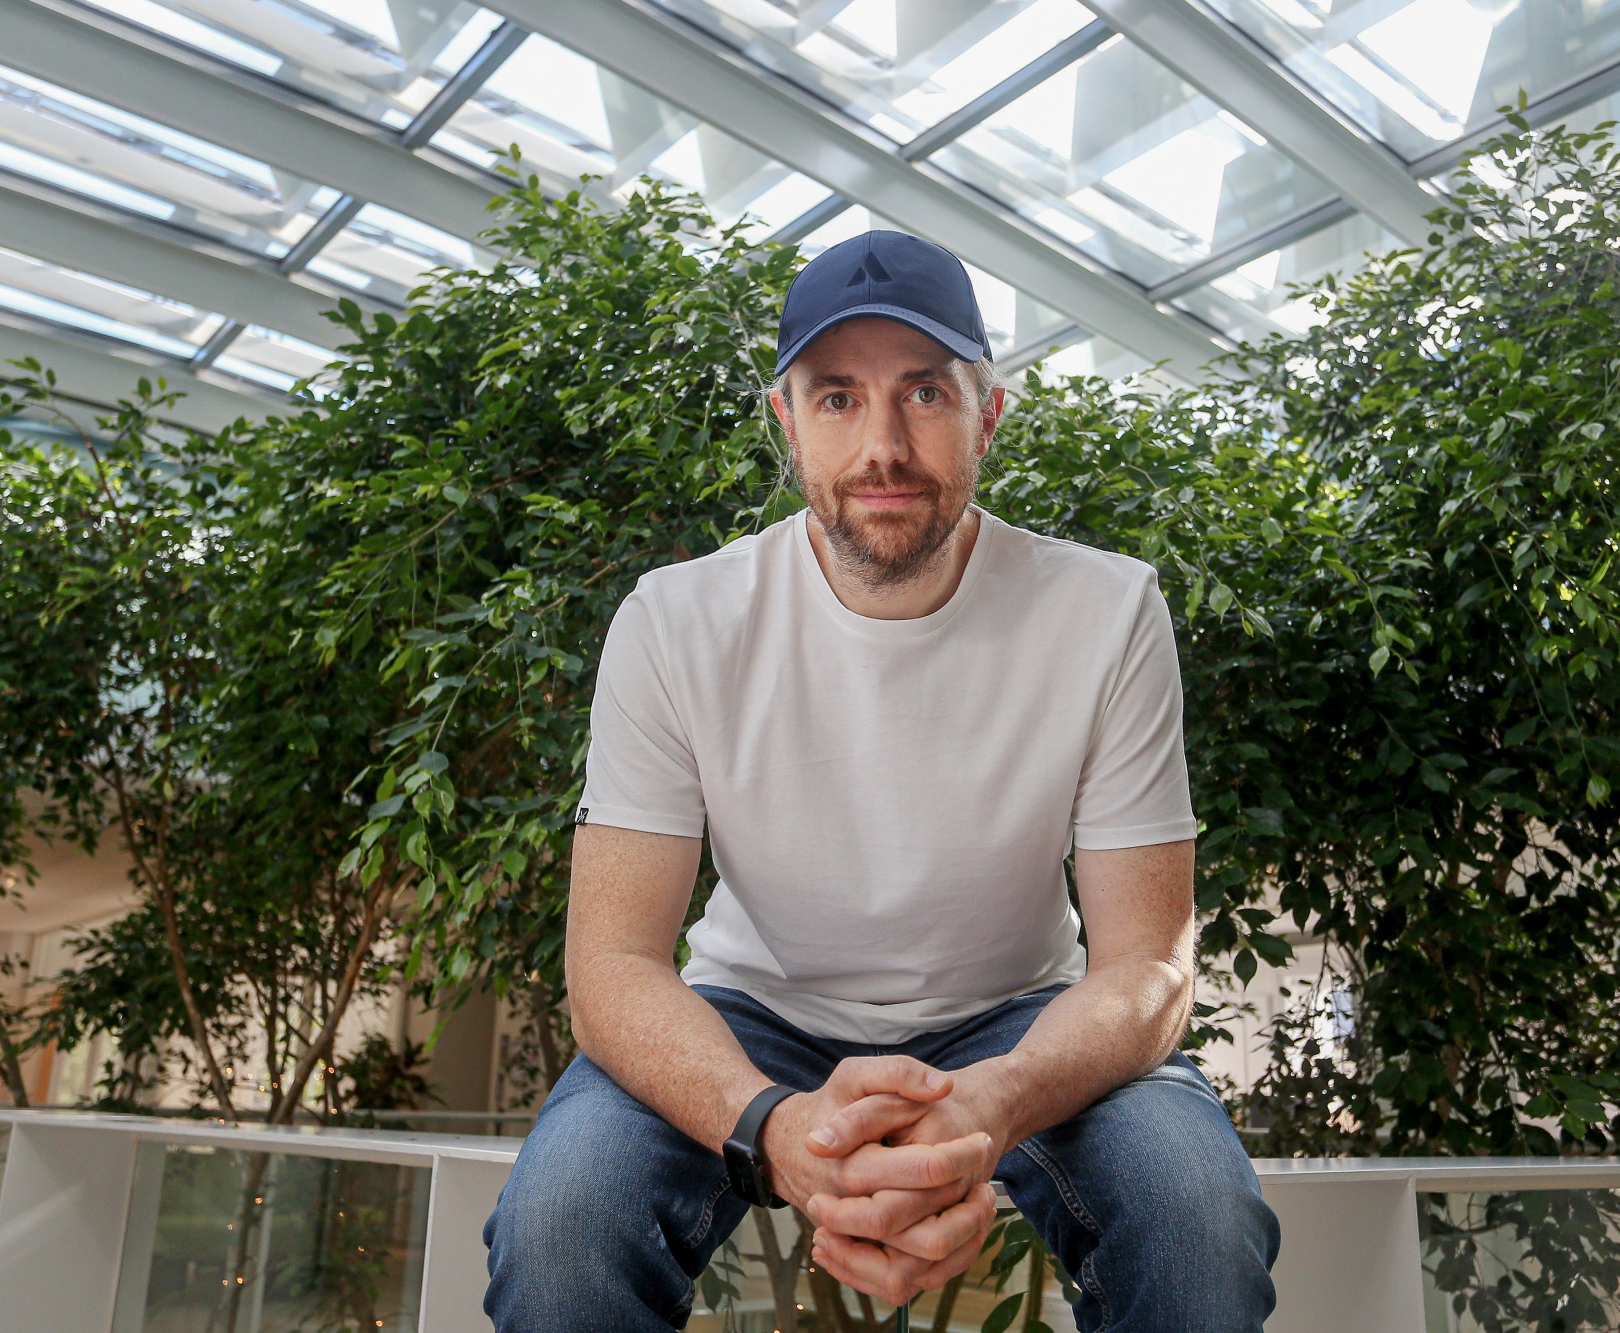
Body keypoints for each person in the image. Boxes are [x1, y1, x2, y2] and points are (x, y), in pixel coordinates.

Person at [482, 230, 1279, 1332]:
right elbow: (611, 963)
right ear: (787, 420)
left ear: (987, 415)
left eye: (924, 393)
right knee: (559, 1229)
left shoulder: (1107, 612)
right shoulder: (674, 621)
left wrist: (994, 1099)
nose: (883, 447)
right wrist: (770, 1125)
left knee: (1200, 1224)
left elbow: (1148, 964)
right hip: (751, 1012)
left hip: (1021, 1016)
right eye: (838, 398)